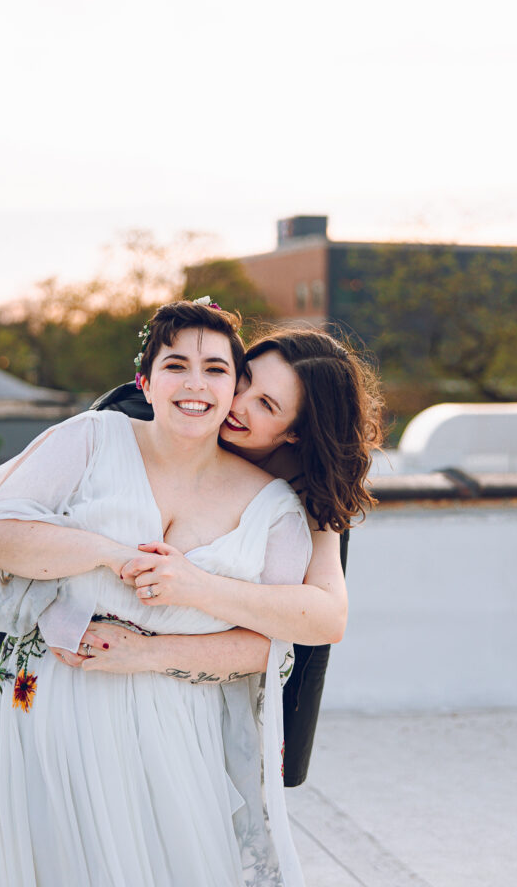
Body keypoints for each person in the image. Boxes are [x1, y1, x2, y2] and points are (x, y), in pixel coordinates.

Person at [0, 301, 317, 887]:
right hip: (59, 705)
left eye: (217, 369)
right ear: (146, 383)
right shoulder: (90, 440)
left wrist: (147, 653)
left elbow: (267, 645)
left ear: (233, 391)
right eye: (176, 365)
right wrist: (109, 553)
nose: (195, 383)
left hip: (180, 722)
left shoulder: (273, 508)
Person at [81, 326, 381, 785]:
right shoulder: (145, 417)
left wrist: (195, 588)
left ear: (297, 432)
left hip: (209, 690)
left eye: (267, 405)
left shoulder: (308, 490)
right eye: (243, 381)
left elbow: (327, 617)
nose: (237, 404)